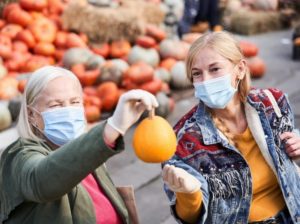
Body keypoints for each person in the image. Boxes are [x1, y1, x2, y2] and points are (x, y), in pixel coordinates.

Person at [162, 31, 300, 224]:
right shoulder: (184, 139)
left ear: (240, 69)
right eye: (197, 74)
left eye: (215, 69)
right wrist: (189, 194)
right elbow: (191, 218)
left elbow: (290, 163)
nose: (206, 80)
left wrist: (297, 147)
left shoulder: (273, 104)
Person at [0, 66, 158, 224]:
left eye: (75, 102)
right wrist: (112, 128)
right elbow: (41, 180)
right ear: (32, 115)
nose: (68, 111)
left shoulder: (90, 156)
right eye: (56, 105)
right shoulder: (18, 157)